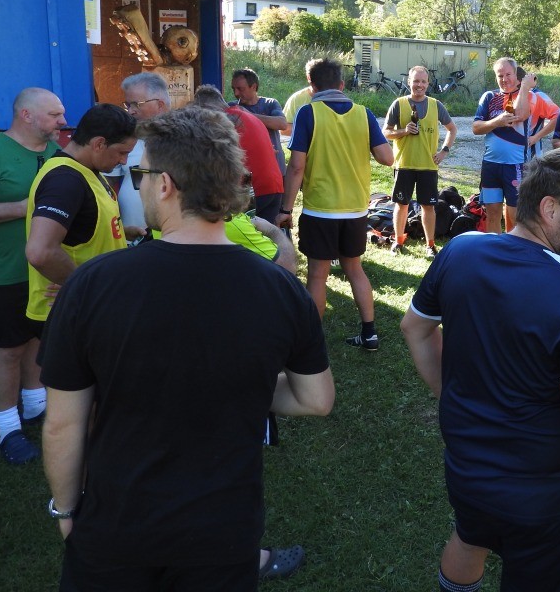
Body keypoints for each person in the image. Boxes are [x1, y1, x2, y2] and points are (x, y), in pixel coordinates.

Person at [40, 105, 334, 589]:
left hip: (117, 529)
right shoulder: (281, 289)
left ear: (165, 185)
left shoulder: (92, 283)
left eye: (140, 174)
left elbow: (62, 424)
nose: (137, 184)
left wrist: (66, 511)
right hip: (224, 534)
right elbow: (316, 399)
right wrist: (234, 383)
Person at [400, 147, 560, 592]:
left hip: (466, 465)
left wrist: (452, 394)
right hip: (543, 490)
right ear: (550, 209)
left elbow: (414, 328)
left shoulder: (460, 250)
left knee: (469, 536)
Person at [0, 88, 66, 464]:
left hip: (48, 266)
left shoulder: (56, 153)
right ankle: (8, 428)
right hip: (5, 271)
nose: (62, 121)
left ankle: (35, 403)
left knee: (39, 337)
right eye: (54, 115)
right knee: (8, 349)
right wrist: (24, 208)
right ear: (26, 115)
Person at [279, 58, 393, 350]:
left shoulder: (308, 113)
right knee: (354, 268)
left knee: (318, 274)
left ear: (312, 86)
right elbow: (387, 158)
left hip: (321, 209)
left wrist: (285, 209)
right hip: (355, 208)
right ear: (342, 85)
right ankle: (370, 333)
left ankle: (311, 344)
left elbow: (296, 167)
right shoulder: (364, 113)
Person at [25, 104, 136, 326]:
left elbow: (79, 230)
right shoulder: (65, 180)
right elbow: (40, 251)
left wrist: (119, 232)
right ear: (99, 144)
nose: (124, 161)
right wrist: (82, 286)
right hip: (74, 313)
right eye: (122, 152)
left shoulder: (87, 170)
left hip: (90, 306)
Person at [472, 57, 558, 233]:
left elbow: (520, 114)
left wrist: (524, 87)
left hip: (516, 165)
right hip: (491, 164)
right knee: (492, 214)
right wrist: (497, 121)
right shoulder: (489, 97)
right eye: (500, 75)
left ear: (516, 74)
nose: (504, 79)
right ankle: (495, 248)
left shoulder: (530, 95)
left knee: (516, 217)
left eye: (508, 74)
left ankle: (516, 248)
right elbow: (476, 128)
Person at [382, 65, 458, 258]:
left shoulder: (435, 105)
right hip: (404, 164)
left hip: (428, 166)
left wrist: (444, 151)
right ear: (409, 82)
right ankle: (398, 241)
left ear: (428, 83)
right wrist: (404, 131)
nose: (419, 85)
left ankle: (430, 245)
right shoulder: (399, 104)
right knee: (401, 205)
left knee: (428, 206)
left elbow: (452, 129)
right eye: (416, 81)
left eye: (423, 81)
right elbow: (386, 132)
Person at [193, 85, 284, 225]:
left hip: (255, 190)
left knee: (239, 233)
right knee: (266, 236)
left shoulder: (223, 121)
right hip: (275, 187)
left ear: (206, 107)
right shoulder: (247, 115)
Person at [108, 72, 170, 240]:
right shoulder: (122, 138)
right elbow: (108, 185)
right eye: (128, 105)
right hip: (129, 238)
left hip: (171, 238)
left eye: (136, 104)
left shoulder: (185, 139)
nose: (130, 111)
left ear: (160, 105)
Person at [230, 67, 288, 175]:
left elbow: (282, 124)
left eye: (240, 89)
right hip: (246, 172)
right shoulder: (232, 107)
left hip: (275, 169)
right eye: (233, 89)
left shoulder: (270, 104)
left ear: (253, 87)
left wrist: (247, 115)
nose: (236, 93)